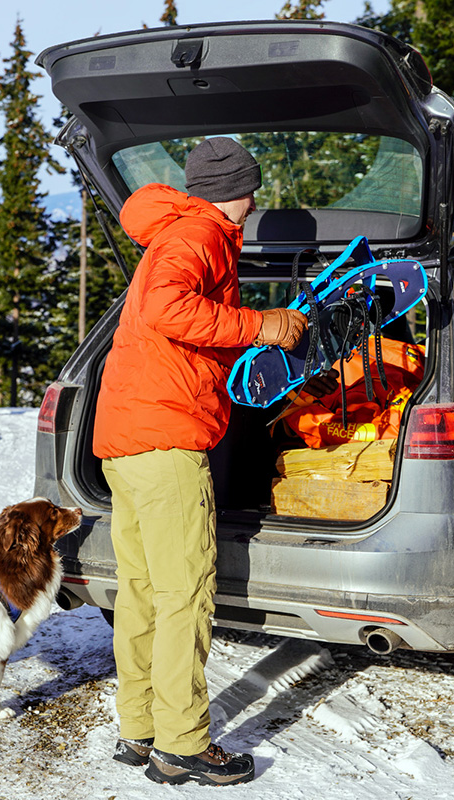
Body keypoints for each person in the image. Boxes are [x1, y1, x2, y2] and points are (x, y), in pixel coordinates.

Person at [93, 137, 327, 786]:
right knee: (184, 595)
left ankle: (140, 730)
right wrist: (261, 326)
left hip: (127, 437)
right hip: (166, 442)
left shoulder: (179, 228)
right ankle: (183, 744)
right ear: (239, 189)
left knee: (142, 592)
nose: (256, 201)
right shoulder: (198, 235)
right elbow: (169, 308)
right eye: (253, 187)